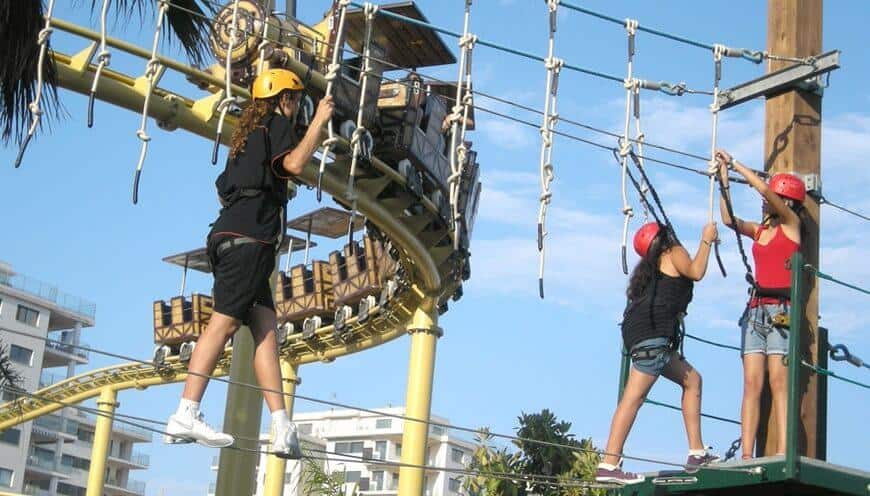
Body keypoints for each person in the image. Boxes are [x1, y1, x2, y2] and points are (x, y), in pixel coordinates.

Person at [163, 69, 334, 458]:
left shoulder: (245, 138)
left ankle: (281, 426)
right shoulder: (276, 123)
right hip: (250, 241)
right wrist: (321, 122)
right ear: (285, 99)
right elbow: (293, 164)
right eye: (295, 99)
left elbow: (225, 189)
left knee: (265, 329)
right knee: (222, 323)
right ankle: (186, 411)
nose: (297, 107)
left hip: (228, 237)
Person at [596, 221, 720, 485]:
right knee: (633, 398)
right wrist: (706, 240)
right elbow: (696, 271)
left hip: (643, 336)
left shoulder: (650, 272)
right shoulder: (672, 251)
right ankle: (608, 462)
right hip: (654, 336)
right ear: (664, 239)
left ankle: (697, 452)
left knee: (692, 380)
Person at [715, 149, 805, 460]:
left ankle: (782, 450)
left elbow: (765, 190)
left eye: (773, 199)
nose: (765, 201)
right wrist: (724, 177)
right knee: (752, 383)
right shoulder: (762, 230)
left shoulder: (791, 225)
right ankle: (747, 455)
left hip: (781, 311)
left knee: (779, 382)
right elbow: (728, 218)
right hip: (755, 311)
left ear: (786, 202)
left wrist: (737, 162)